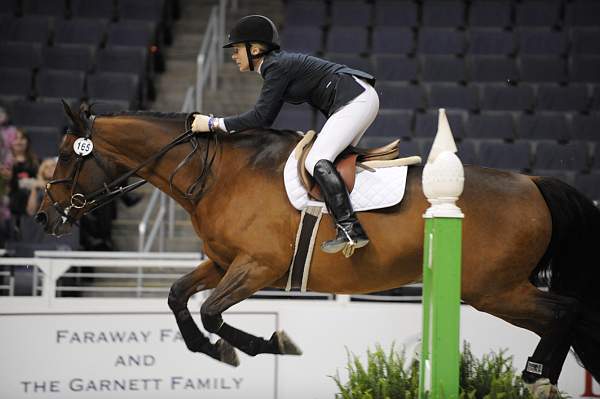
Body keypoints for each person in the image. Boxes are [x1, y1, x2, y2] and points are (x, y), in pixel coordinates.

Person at [191, 15, 379, 255]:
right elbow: (265, 117)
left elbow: (261, 118)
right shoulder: (275, 66)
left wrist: (213, 123)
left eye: (237, 49)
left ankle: (349, 228)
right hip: (358, 98)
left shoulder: (275, 67)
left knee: (315, 161)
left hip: (356, 100)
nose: (233, 55)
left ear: (255, 49)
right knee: (331, 162)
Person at [8, 128, 39, 239]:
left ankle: (23, 229)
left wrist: (33, 186)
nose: (19, 141)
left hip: (30, 196)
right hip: (10, 196)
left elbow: (40, 180)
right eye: (16, 138)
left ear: (27, 142)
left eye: (22, 138)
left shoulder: (35, 161)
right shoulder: (5, 161)